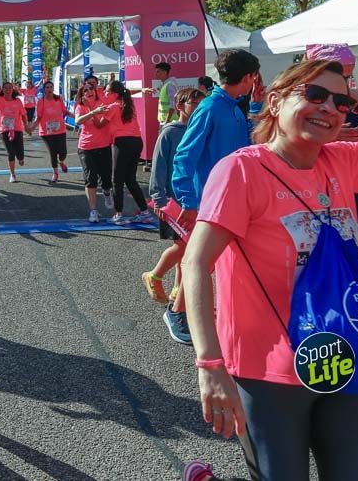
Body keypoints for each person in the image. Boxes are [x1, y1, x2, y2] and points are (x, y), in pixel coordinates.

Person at [183, 59, 358, 481]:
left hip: (340, 358)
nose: (329, 108)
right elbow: (196, 262)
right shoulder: (241, 170)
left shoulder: (343, 160)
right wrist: (210, 366)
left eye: (340, 101)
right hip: (267, 369)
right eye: (314, 95)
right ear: (275, 102)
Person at [172, 49, 261, 231]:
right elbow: (184, 155)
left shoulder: (233, 107)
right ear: (246, 78)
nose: (254, 82)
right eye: (254, 77)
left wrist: (255, 106)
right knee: (201, 258)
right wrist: (188, 201)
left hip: (232, 197)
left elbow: (249, 143)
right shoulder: (209, 108)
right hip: (210, 202)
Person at [145, 88, 204, 345]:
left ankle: (177, 293)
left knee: (186, 250)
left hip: (194, 199)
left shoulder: (200, 130)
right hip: (172, 200)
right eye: (194, 103)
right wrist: (158, 197)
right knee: (183, 248)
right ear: (181, 105)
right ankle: (155, 276)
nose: (198, 108)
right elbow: (159, 166)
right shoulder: (170, 132)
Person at [89, 81, 156, 224]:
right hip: (137, 142)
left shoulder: (113, 107)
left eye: (107, 91)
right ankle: (145, 212)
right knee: (130, 179)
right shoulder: (128, 103)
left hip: (122, 143)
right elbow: (127, 92)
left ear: (114, 94)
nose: (105, 93)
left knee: (117, 180)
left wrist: (91, 111)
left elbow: (99, 125)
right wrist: (142, 89)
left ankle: (118, 214)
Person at [74, 80, 113, 221]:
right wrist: (91, 110)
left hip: (103, 145)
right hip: (86, 147)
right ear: (82, 94)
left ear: (95, 90)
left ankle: (107, 192)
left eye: (91, 88)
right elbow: (78, 121)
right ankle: (93, 211)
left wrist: (94, 110)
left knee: (106, 177)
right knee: (90, 179)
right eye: (85, 90)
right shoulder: (80, 106)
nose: (89, 91)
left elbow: (99, 125)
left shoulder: (102, 103)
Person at [33, 80, 70, 183]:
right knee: (53, 152)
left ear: (53, 89)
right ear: (44, 90)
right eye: (47, 87)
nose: (49, 89)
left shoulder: (58, 99)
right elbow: (38, 117)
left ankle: (61, 162)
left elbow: (64, 111)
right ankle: (55, 173)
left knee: (63, 153)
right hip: (47, 132)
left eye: (51, 87)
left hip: (60, 130)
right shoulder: (41, 101)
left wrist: (74, 116)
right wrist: (32, 127)